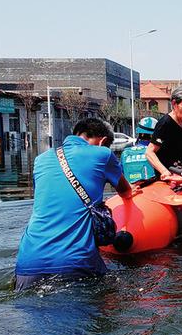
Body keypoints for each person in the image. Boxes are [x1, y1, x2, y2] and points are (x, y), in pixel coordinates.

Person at [15, 118, 136, 291]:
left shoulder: (41, 159)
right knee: (114, 296)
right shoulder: (103, 154)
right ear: (102, 142)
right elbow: (126, 191)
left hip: (27, 263)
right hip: (75, 261)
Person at [146, 85, 182, 179]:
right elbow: (149, 152)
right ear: (174, 104)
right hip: (171, 178)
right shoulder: (165, 123)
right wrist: (164, 171)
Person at [121, 116, 158, 183]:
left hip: (131, 191)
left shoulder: (125, 153)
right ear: (154, 135)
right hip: (153, 190)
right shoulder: (155, 152)